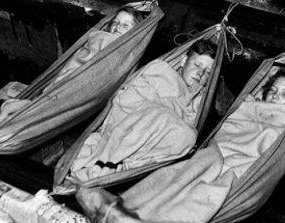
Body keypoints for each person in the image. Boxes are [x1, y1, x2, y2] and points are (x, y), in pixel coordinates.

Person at [74, 66, 285, 223]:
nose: (275, 97)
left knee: (200, 194)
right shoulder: (249, 107)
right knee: (173, 178)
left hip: (241, 169)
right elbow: (233, 126)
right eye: (272, 90)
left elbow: (269, 146)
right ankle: (122, 215)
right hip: (216, 153)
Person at [69, 39, 217, 181]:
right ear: (184, 61)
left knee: (189, 136)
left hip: (144, 154)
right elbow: (125, 101)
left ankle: (123, 166)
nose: (200, 73)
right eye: (197, 65)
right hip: (126, 128)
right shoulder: (160, 72)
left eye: (207, 72)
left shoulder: (199, 102)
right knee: (163, 116)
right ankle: (109, 163)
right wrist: (164, 112)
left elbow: (179, 136)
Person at [0, 6, 143, 126]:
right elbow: (91, 61)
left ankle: (16, 109)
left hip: (81, 89)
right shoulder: (103, 38)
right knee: (46, 111)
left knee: (45, 112)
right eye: (115, 23)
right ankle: (13, 108)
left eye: (125, 25)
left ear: (135, 31)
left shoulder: (128, 50)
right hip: (72, 83)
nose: (118, 27)